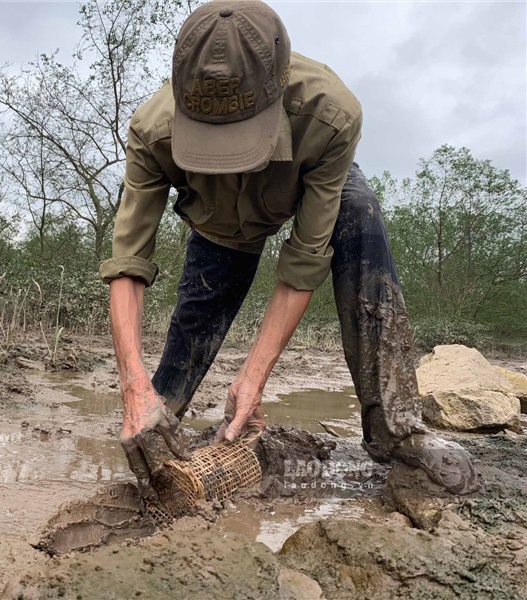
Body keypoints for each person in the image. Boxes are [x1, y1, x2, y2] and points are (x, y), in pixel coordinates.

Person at [99, 0, 479, 503]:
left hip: (301, 187)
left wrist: (253, 377)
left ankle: (398, 430)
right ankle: (159, 416)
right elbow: (128, 261)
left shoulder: (331, 115)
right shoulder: (152, 131)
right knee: (191, 329)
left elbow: (303, 262)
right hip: (218, 226)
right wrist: (133, 387)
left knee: (359, 210)